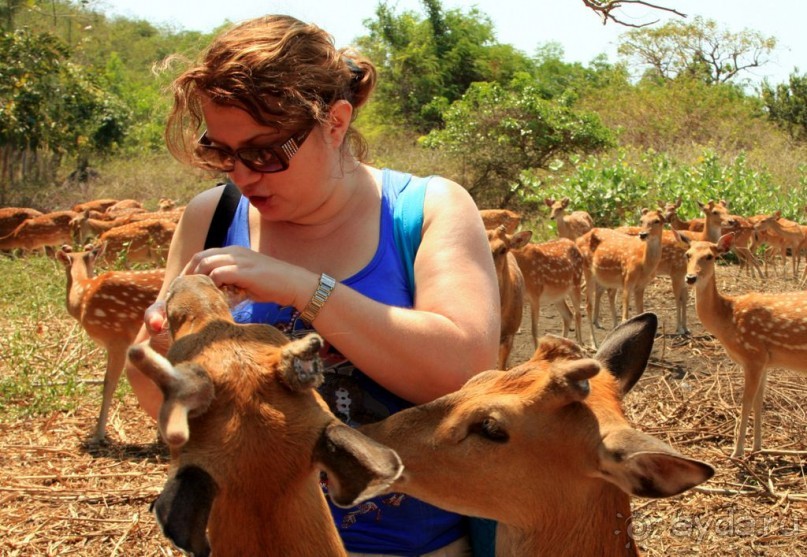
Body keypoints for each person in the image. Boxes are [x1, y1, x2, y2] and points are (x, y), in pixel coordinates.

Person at [125, 14, 500, 557]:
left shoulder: (426, 209)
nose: (243, 175)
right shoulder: (211, 214)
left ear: (336, 122)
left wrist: (307, 290)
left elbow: (464, 370)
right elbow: (161, 406)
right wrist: (162, 344)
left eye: (265, 151)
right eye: (222, 153)